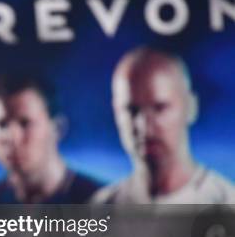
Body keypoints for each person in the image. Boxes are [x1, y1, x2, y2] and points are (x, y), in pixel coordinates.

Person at [93, 47, 235, 204]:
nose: (143, 127)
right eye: (132, 111)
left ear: (191, 107)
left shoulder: (226, 204)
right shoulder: (100, 209)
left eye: (159, 108)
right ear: (116, 112)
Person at [0, 74, 102, 211]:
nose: (11, 137)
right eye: (1, 124)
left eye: (25, 123)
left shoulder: (99, 202)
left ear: (57, 128)